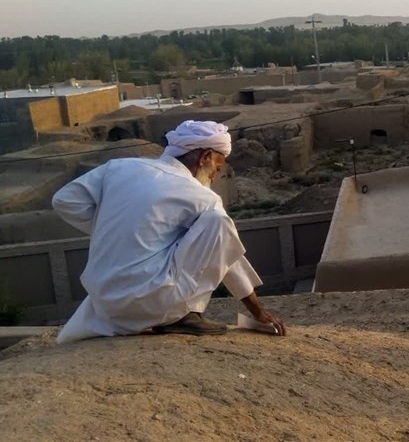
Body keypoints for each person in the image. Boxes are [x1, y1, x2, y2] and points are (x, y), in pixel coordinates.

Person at [52, 120, 286, 343]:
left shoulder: (119, 167)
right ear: (205, 157)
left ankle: (166, 312)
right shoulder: (203, 198)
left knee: (206, 225)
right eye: (216, 167)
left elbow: (64, 200)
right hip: (153, 304)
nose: (215, 177)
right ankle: (183, 314)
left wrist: (115, 226)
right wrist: (257, 311)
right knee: (217, 221)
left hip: (104, 305)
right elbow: (225, 250)